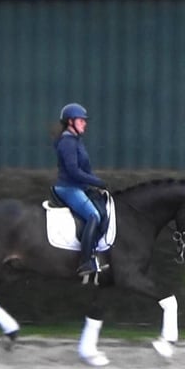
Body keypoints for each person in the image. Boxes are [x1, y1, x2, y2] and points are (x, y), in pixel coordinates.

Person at [52, 103, 107, 276]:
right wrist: (97, 181)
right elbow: (74, 171)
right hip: (68, 187)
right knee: (93, 215)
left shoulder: (77, 141)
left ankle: (97, 253)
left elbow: (86, 170)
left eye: (85, 121)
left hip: (79, 187)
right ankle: (85, 262)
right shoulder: (67, 142)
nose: (85, 123)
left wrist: (97, 184)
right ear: (70, 122)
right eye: (81, 120)